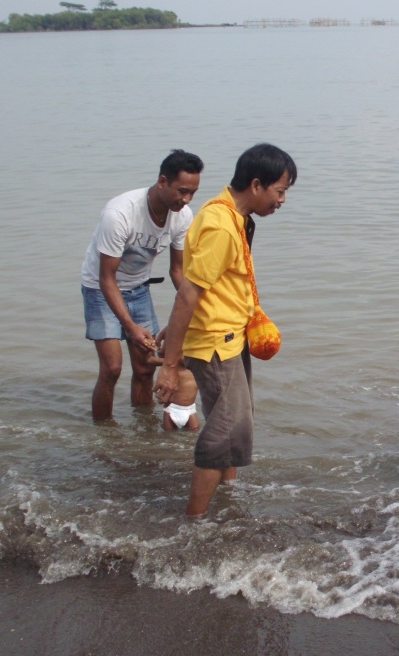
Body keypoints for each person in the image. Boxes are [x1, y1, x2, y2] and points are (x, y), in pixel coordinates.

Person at [153, 143, 297, 519]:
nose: (282, 200)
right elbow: (189, 290)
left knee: (233, 424)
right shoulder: (220, 224)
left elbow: (207, 284)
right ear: (255, 184)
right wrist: (170, 365)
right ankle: (195, 522)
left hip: (230, 337)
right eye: (279, 191)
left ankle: (230, 497)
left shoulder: (236, 217)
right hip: (216, 344)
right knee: (223, 433)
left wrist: (174, 326)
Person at [81, 150, 203, 421]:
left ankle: (142, 430)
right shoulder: (120, 213)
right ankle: (104, 436)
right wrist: (130, 326)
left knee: (145, 367)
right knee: (112, 368)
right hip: (101, 289)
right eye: (182, 191)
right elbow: (106, 278)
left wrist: (194, 310)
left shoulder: (182, 216)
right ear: (162, 182)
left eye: (192, 193)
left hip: (139, 288)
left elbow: (177, 270)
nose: (186, 200)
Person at [147, 356, 200, 431]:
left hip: (190, 410)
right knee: (168, 435)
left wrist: (162, 361)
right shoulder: (173, 367)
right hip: (172, 409)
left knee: (194, 433)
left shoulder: (194, 365)